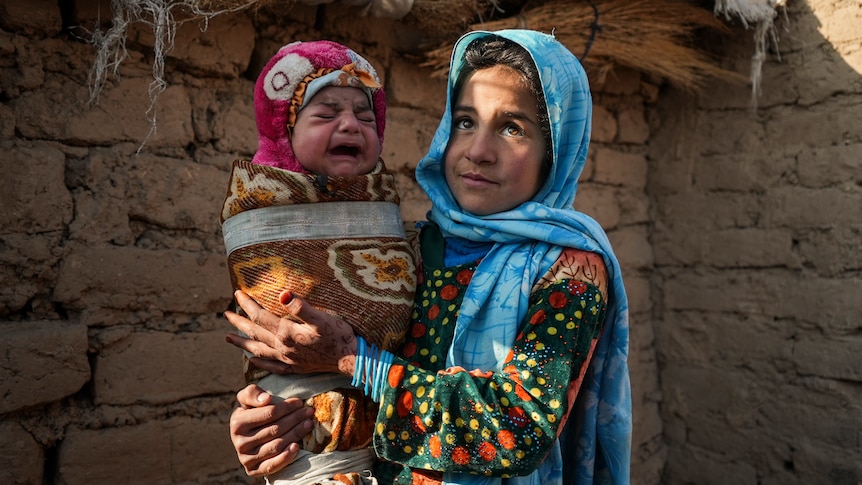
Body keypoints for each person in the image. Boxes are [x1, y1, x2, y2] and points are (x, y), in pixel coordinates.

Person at [226, 29, 632, 485]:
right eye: (465, 121)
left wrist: (353, 360)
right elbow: (333, 387)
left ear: (556, 150)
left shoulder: (570, 271)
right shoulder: (405, 250)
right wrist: (274, 425)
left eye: (512, 128)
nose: (478, 151)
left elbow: (519, 427)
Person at [219, 40, 416, 485]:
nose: (350, 124)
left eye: (366, 117)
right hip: (307, 444)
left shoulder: (408, 237)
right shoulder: (264, 212)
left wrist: (347, 354)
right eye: (325, 114)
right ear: (284, 134)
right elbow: (286, 319)